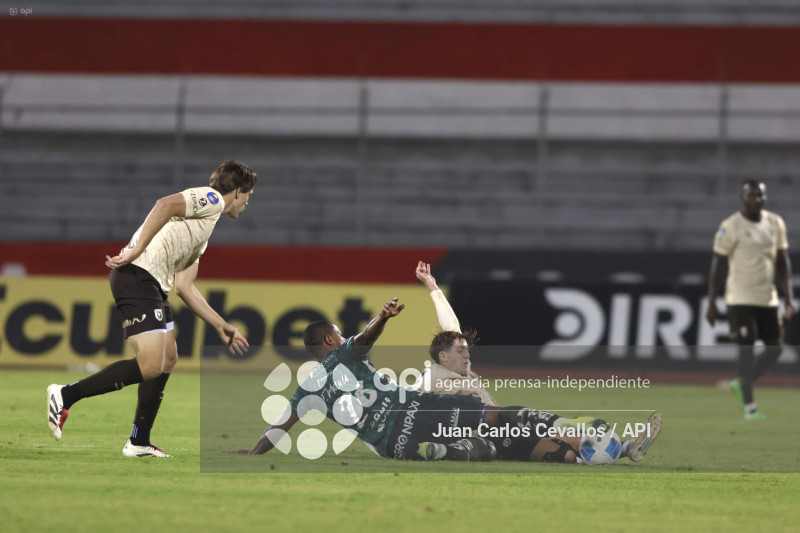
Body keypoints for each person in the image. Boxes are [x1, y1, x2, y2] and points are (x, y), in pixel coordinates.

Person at [234, 296, 656, 464]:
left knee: (505, 445)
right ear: (330, 339)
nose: (342, 338)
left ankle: (577, 455)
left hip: (393, 447)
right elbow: (364, 338)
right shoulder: (344, 352)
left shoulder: (306, 388)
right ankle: (596, 440)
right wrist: (382, 316)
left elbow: (278, 427)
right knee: (507, 417)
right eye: (338, 335)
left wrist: (252, 453)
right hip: (414, 410)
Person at [47, 160, 257, 456]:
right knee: (150, 366)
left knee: (168, 358)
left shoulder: (203, 229)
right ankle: (65, 394)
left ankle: (139, 441)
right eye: (249, 196)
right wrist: (136, 249)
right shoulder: (211, 199)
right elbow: (164, 204)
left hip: (154, 285)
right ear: (237, 191)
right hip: (138, 275)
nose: (247, 203)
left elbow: (185, 286)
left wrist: (220, 323)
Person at [415, 261, 661, 462]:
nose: (467, 354)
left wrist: (433, 288)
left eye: (467, 350)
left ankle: (624, 448)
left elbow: (452, 326)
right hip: (486, 436)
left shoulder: (458, 368)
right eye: (461, 351)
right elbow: (428, 402)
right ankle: (620, 449)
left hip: (502, 428)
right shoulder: (433, 376)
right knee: (565, 446)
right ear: (443, 356)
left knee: (565, 444)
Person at [706, 179, 795, 420]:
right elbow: (718, 266)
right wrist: (712, 302)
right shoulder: (731, 226)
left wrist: (788, 297)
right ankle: (749, 407)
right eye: (753, 195)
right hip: (740, 298)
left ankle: (742, 383)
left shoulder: (775, 223)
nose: (758, 199)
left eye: (761, 195)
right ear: (743, 197)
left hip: (768, 298)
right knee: (746, 349)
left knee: (775, 349)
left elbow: (782, 262)